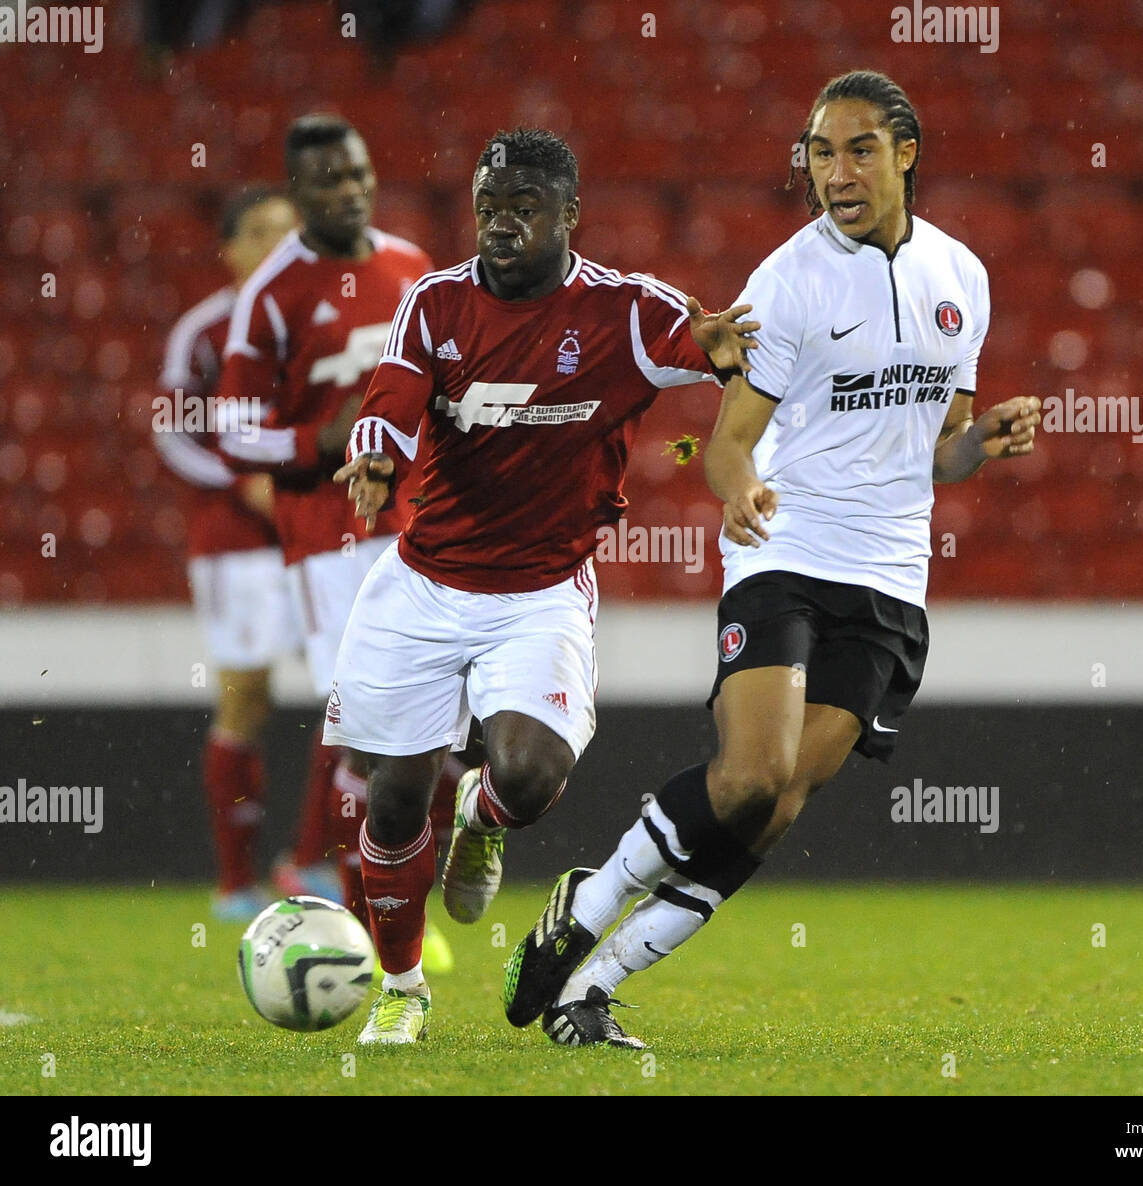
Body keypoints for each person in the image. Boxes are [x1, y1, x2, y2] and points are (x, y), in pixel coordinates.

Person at [506, 68, 1043, 1048]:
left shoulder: (961, 277)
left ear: (905, 154)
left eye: (857, 149)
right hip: (787, 549)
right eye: (819, 151)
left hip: (890, 578)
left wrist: (985, 442)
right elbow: (724, 442)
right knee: (751, 774)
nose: (834, 171)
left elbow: (942, 449)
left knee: (778, 807)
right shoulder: (788, 280)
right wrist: (736, 487)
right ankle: (587, 904)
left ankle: (593, 989)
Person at [326, 126, 758, 1045]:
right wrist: (372, 460)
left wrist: (722, 350)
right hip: (422, 583)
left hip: (540, 591)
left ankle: (482, 814)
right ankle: (402, 989)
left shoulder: (623, 311)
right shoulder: (435, 306)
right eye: (489, 209)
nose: (502, 226)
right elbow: (391, 400)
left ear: (570, 215)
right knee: (394, 798)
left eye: (525, 209)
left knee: (528, 774)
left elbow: (714, 346)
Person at [215, 115, 456, 973]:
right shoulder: (272, 294)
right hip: (329, 535)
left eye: (358, 173)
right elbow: (233, 433)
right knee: (368, 736)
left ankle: (387, 906)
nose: (350, 190)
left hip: (424, 521)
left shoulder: (409, 268)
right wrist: (320, 442)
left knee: (440, 735)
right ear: (298, 191)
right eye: (328, 180)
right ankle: (373, 930)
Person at [154, 187, 334, 921]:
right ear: (227, 249)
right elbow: (172, 430)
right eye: (257, 232)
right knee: (246, 697)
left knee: (352, 688)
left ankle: (310, 861)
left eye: (287, 232)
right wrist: (245, 479)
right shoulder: (204, 330)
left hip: (318, 531)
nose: (275, 245)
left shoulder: (317, 320)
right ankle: (235, 882)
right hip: (237, 543)